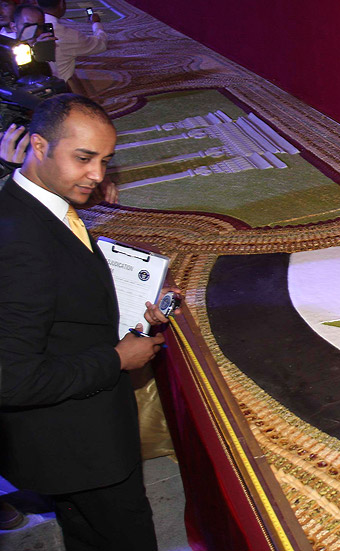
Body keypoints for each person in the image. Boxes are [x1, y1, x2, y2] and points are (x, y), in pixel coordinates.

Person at [0, 94, 171, 550]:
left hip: (73, 437)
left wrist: (130, 306)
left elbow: (60, 298)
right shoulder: (21, 245)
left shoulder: (28, 201)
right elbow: (12, 379)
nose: (97, 175)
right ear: (39, 145)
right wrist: (117, 359)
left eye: (105, 161)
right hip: (78, 446)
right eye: (84, 158)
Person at [35, 0, 106, 85]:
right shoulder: (67, 35)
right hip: (57, 84)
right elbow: (100, 44)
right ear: (61, 4)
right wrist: (96, 23)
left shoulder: (27, 22)